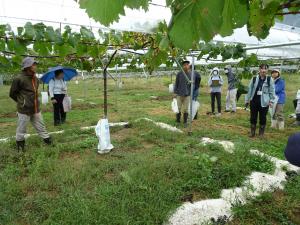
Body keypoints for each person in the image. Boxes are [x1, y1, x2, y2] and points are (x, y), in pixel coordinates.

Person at [9, 57, 52, 151]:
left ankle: (48, 142)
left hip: (36, 108)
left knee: (41, 126)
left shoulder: (35, 78)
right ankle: (20, 148)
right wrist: (22, 102)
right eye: (33, 64)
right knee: (21, 129)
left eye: (35, 64)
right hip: (24, 110)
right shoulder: (18, 79)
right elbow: (12, 94)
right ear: (27, 66)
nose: (35, 66)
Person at [245, 64, 275, 138]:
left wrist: (271, 101)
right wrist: (247, 99)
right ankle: (252, 132)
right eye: (262, 69)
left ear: (267, 70)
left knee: (263, 117)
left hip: (264, 102)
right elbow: (250, 89)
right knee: (253, 117)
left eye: (265, 69)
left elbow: (272, 90)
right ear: (259, 69)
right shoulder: (254, 78)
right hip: (254, 101)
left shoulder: (269, 79)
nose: (263, 70)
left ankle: (261, 133)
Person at [174, 60, 191, 127]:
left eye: (187, 65)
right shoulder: (179, 74)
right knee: (178, 108)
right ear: (182, 66)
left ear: (189, 66)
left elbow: (193, 84)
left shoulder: (190, 74)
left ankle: (185, 122)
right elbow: (176, 83)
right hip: (179, 94)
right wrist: (175, 92)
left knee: (186, 109)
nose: (186, 66)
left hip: (187, 95)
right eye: (184, 65)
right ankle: (178, 121)